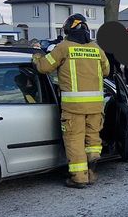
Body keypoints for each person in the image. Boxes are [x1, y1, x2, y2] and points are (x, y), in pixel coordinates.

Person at [34, 14, 109, 188]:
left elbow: (44, 67)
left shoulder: (64, 47)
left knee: (75, 141)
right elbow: (106, 71)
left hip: (74, 108)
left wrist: (36, 57)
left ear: (68, 30)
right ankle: (92, 161)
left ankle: (79, 178)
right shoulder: (97, 49)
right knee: (92, 137)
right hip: (96, 106)